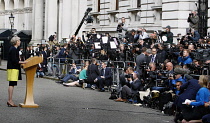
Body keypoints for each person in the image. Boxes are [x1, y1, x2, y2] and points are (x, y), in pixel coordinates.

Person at [7, 36, 26, 107]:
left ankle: (10, 100)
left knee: (12, 84)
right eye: (19, 41)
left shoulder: (14, 49)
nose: (20, 42)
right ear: (16, 42)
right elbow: (14, 60)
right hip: (13, 68)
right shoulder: (13, 49)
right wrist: (22, 62)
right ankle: (10, 100)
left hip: (12, 68)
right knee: (12, 84)